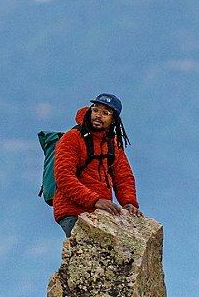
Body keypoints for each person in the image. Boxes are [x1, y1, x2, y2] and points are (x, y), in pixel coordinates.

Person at [53, 93, 141, 237]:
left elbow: (123, 177)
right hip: (73, 211)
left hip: (101, 212)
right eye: (95, 110)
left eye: (105, 113)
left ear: (114, 120)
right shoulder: (72, 138)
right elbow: (64, 177)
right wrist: (95, 200)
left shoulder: (112, 143)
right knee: (93, 247)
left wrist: (129, 202)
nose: (98, 115)